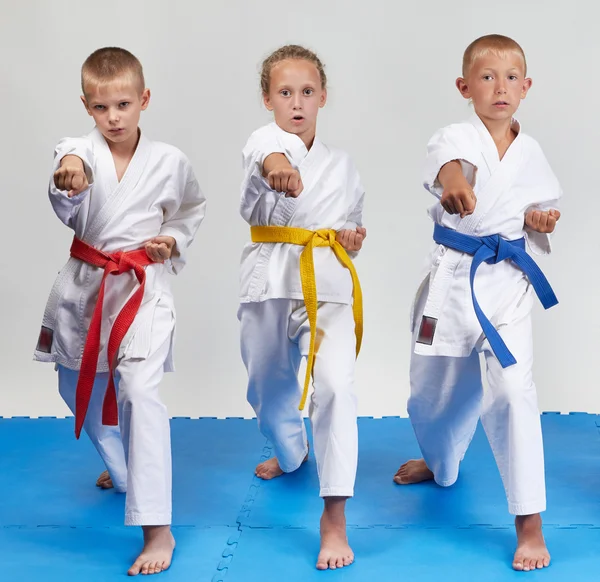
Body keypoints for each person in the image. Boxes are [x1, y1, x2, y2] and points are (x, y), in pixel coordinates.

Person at [34, 47, 206, 576]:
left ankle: (158, 528)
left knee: (137, 392)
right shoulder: (78, 152)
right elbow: (68, 172)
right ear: (87, 105)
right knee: (73, 387)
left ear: (144, 100)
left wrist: (170, 241)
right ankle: (126, 468)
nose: (113, 117)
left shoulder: (170, 160)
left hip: (141, 287)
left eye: (124, 105)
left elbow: (191, 209)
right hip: (85, 286)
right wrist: (68, 180)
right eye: (101, 107)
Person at [394, 34, 562, 572]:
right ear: (465, 87)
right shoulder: (455, 136)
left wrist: (541, 220)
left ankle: (529, 521)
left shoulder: (531, 151)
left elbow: (541, 208)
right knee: (431, 394)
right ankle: (441, 461)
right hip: (452, 284)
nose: (501, 87)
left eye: (512, 77)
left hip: (508, 283)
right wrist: (452, 186)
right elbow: (448, 164)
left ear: (527, 88)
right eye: (488, 77)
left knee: (514, 392)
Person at [238, 45, 366, 570]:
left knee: (335, 387)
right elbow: (266, 156)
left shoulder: (343, 164)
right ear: (268, 98)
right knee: (267, 388)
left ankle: (334, 517)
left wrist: (353, 238)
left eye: (307, 92)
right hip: (270, 280)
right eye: (285, 92)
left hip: (328, 284)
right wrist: (278, 170)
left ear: (323, 97)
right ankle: (292, 451)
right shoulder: (262, 144)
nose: (297, 103)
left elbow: (354, 225)